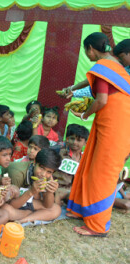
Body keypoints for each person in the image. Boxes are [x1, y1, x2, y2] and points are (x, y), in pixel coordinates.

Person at [62, 33, 130, 237]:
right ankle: (82, 209)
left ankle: (97, 226)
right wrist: (73, 88)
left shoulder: (102, 68)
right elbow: (96, 82)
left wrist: (83, 114)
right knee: (90, 165)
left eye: (86, 51)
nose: (87, 54)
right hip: (113, 126)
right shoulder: (115, 67)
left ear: (91, 48)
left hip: (115, 129)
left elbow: (101, 101)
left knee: (103, 175)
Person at [2, 149, 62, 223]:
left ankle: (23, 220)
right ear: (34, 162)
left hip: (26, 201)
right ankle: (29, 214)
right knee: (6, 209)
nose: (43, 174)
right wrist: (31, 192)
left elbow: (47, 206)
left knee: (56, 209)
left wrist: (50, 192)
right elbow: (12, 204)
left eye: (49, 172)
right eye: (41, 168)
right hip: (12, 201)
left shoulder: (48, 176)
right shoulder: (17, 173)